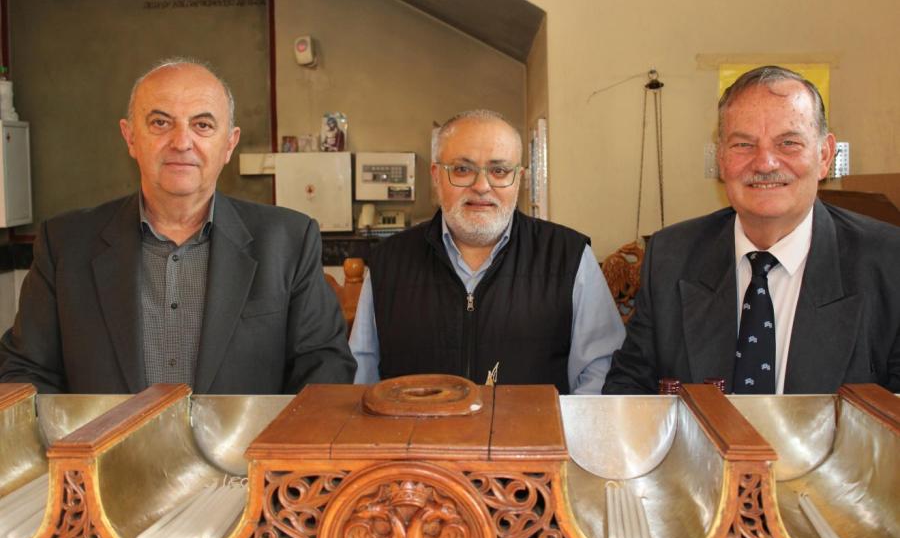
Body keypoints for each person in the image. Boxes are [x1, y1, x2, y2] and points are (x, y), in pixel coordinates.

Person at [0, 58, 356, 393]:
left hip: (251, 443)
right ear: (130, 137)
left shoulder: (288, 241)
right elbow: (24, 370)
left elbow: (324, 366)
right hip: (104, 443)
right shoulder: (65, 244)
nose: (182, 142)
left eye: (202, 125)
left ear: (229, 144)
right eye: (160, 123)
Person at [603, 65, 900, 394]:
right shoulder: (670, 258)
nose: (765, 163)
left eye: (788, 143)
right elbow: (628, 391)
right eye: (743, 145)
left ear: (825, 155)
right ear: (721, 159)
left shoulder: (889, 264)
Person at [350, 109, 625, 393]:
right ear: (436, 176)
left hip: (535, 424)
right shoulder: (388, 263)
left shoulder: (569, 257)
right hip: (415, 424)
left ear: (519, 178)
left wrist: (559, 423)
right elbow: (360, 380)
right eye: (462, 169)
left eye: (499, 171)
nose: (481, 186)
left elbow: (600, 374)